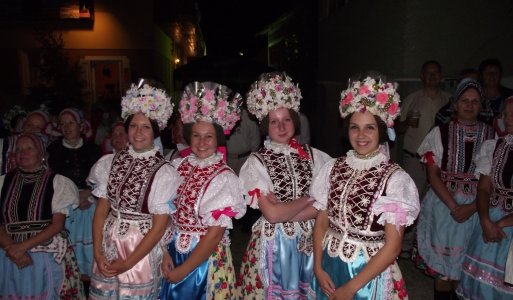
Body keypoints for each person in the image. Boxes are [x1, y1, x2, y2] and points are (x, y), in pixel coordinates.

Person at [309, 76, 420, 299]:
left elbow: (393, 247)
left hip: (367, 276)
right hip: (329, 264)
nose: (361, 135)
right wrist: (318, 267)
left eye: (369, 127)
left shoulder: (396, 179)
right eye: (355, 127)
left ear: (381, 130)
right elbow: (322, 221)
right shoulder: (333, 167)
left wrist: (350, 289)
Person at [235, 72, 331, 299]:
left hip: (312, 240)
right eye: (274, 121)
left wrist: (286, 210)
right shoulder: (255, 162)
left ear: (295, 122)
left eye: (286, 119)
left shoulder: (315, 156)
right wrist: (310, 198)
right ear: (265, 126)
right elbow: (272, 214)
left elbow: (326, 204)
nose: (281, 126)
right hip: (274, 243)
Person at [87, 81, 181, 299]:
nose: (138, 132)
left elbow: (158, 228)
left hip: (140, 248)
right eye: (133, 126)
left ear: (155, 131)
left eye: (146, 127)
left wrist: (128, 263)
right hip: (108, 243)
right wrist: (97, 252)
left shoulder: (164, 171)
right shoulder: (110, 162)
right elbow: (101, 211)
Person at [160, 81, 246, 299]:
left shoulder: (224, 178)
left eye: (209, 136)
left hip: (203, 262)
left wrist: (184, 269)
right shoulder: (178, 166)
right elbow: (165, 214)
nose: (201, 142)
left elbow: (215, 234)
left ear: (218, 139)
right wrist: (163, 252)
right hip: (172, 252)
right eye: (196, 135)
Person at [414, 79, 494, 299]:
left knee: (466, 268)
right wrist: (455, 206)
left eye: (475, 101)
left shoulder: (491, 137)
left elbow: (493, 181)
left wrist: (471, 208)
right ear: (455, 104)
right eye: (464, 100)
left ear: (482, 105)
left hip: (478, 206)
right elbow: (433, 175)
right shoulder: (440, 133)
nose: (469, 105)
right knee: (444, 271)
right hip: (444, 205)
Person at [0, 133, 84, 299]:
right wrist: (11, 248)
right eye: (19, 149)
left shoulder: (58, 182)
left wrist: (21, 247)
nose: (22, 153)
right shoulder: (3, 182)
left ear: (41, 154)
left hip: (45, 253)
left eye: (29, 148)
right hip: (8, 254)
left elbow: (57, 225)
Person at [456, 96, 513, 299]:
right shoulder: (495, 146)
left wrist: (502, 223)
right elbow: (483, 190)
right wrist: (485, 221)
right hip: (492, 216)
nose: (508, 119)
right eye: (506, 114)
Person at [396, 60, 451, 257]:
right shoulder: (413, 98)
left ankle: (427, 247)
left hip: (441, 162)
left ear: (441, 75)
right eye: (428, 73)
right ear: (422, 76)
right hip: (414, 159)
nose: (432, 77)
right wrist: (406, 123)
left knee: (436, 204)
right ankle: (405, 246)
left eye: (436, 73)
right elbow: (397, 128)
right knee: (412, 202)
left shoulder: (449, 100)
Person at [46, 107, 102, 293]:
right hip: (66, 208)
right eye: (63, 124)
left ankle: (92, 291)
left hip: (90, 205)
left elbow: (102, 177)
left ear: (80, 126)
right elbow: (50, 180)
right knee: (70, 258)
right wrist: (74, 198)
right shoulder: (53, 151)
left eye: (71, 123)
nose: (67, 127)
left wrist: (89, 194)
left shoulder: (93, 149)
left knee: (92, 254)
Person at [478, 58, 513, 126]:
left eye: (495, 73)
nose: (492, 75)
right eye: (488, 73)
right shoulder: (474, 97)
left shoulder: (510, 96)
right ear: (481, 76)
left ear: (500, 75)